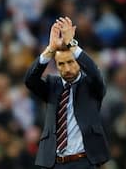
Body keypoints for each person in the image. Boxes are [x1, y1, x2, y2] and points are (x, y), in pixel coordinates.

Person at [24, 17, 110, 168]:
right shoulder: (52, 86)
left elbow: (95, 73)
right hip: (54, 163)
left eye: (71, 62)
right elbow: (30, 80)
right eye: (61, 64)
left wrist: (72, 44)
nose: (67, 68)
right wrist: (50, 49)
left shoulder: (90, 85)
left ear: (78, 61)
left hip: (84, 162)